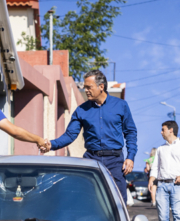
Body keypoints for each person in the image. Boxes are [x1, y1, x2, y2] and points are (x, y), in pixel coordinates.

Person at [42, 70, 137, 203]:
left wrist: (130, 157)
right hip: (92, 159)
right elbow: (70, 135)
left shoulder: (121, 105)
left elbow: (130, 132)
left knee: (119, 201)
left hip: (115, 161)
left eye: (89, 87)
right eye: (84, 87)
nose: (85, 90)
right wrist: (52, 144)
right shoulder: (81, 110)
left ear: (101, 87)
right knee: (88, 199)